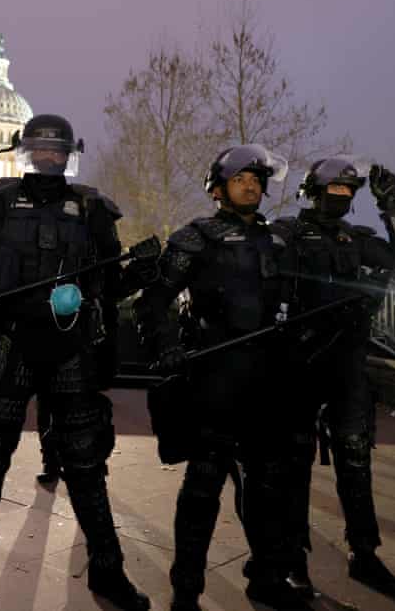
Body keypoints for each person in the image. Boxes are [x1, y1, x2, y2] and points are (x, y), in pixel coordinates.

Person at [0, 114, 153, 611]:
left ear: (68, 155)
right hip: (10, 342)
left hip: (71, 349)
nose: (48, 158)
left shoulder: (93, 208)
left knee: (87, 468)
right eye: (40, 150)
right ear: (24, 151)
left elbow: (109, 286)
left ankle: (108, 572)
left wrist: (140, 274)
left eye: (57, 151)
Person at [135, 144, 308, 611]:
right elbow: (152, 302)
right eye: (241, 178)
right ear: (219, 188)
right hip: (214, 379)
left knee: (268, 488)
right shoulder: (196, 237)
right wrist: (168, 344)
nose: (252, 184)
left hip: (267, 383)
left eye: (257, 178)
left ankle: (267, 578)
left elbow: (298, 304)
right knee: (203, 488)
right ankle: (186, 588)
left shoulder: (278, 242)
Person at [272, 158, 395, 599]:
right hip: (301, 360)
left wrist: (393, 207)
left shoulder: (357, 238)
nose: (341, 195)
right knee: (293, 464)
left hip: (349, 361)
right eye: (333, 188)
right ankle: (293, 561)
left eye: (347, 190)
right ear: (313, 191)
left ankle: (365, 555)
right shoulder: (288, 233)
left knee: (356, 460)